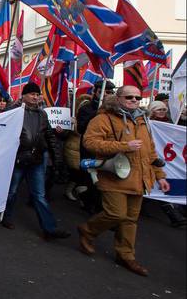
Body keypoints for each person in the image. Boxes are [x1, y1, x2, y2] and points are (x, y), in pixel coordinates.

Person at [77, 86, 170, 277]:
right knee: (116, 214)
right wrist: (123, 146)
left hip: (139, 179)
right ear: (118, 98)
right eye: (129, 97)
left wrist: (160, 176)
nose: (134, 100)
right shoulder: (104, 118)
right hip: (115, 176)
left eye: (138, 97)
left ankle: (126, 255)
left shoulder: (143, 120)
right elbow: (90, 142)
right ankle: (88, 230)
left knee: (130, 220)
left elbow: (151, 152)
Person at [0, 82, 71, 241]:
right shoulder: (14, 112)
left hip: (37, 159)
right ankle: (6, 217)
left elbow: (49, 135)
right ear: (24, 95)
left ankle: (49, 228)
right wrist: (14, 106)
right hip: (18, 159)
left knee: (39, 194)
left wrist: (57, 158)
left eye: (37, 94)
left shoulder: (42, 114)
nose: (35, 97)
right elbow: (2, 123)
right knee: (12, 191)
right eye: (32, 94)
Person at [76, 80, 116, 214]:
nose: (106, 94)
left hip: (106, 150)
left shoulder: (114, 111)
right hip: (90, 150)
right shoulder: (86, 109)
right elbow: (81, 128)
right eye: (103, 91)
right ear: (95, 92)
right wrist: (97, 115)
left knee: (104, 179)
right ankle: (88, 202)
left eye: (110, 92)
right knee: (91, 179)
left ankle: (100, 206)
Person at [146, 101, 186, 227]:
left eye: (164, 109)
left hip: (168, 159)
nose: (162, 112)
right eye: (159, 109)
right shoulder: (147, 124)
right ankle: (173, 215)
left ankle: (178, 211)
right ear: (152, 110)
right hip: (152, 157)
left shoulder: (170, 123)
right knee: (158, 183)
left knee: (168, 182)